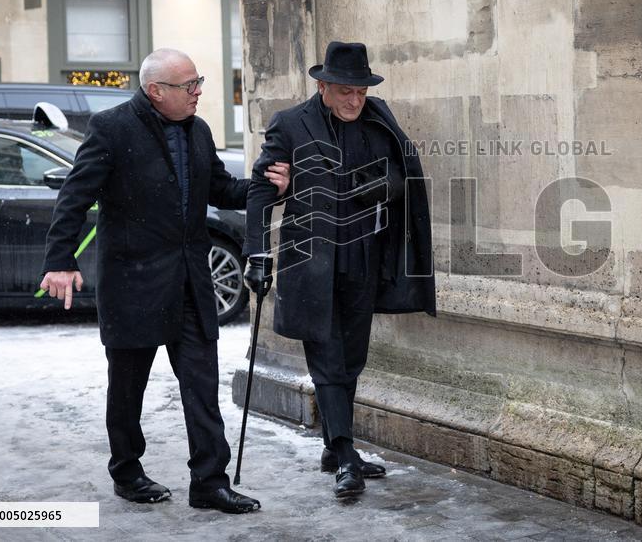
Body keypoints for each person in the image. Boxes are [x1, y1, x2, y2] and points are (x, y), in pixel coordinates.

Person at [40, 49, 285, 514]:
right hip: (134, 285)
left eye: (199, 82)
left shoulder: (199, 130)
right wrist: (60, 258)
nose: (198, 92)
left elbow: (221, 189)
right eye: (189, 85)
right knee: (128, 386)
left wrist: (269, 187)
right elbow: (74, 197)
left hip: (192, 283)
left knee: (201, 384)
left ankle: (209, 482)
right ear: (156, 91)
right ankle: (127, 471)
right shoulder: (112, 129)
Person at [244, 41, 436, 498]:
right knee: (327, 357)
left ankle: (334, 445)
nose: (355, 100)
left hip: (363, 257)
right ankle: (347, 454)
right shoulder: (290, 124)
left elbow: (402, 172)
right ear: (323, 85)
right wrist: (257, 254)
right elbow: (259, 191)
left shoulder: (377, 116)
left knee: (352, 358)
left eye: (361, 91)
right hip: (311, 262)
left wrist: (381, 187)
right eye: (346, 91)